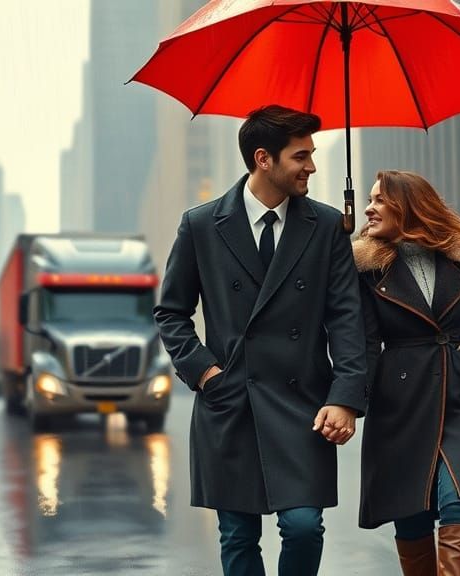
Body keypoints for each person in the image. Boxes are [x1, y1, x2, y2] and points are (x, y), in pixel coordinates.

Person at [154, 105, 367, 576]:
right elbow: (171, 312)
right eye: (301, 156)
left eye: (312, 154)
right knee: (238, 535)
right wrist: (208, 374)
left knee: (304, 526)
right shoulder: (202, 224)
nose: (311, 165)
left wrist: (346, 398)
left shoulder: (328, 225)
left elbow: (347, 319)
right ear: (263, 159)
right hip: (231, 403)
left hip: (302, 404)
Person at [352, 170, 460, 575]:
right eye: (368, 200)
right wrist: (348, 400)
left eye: (379, 200)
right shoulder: (366, 268)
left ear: (408, 205)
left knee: (459, 498)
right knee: (410, 512)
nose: (368, 208)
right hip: (401, 404)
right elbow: (363, 343)